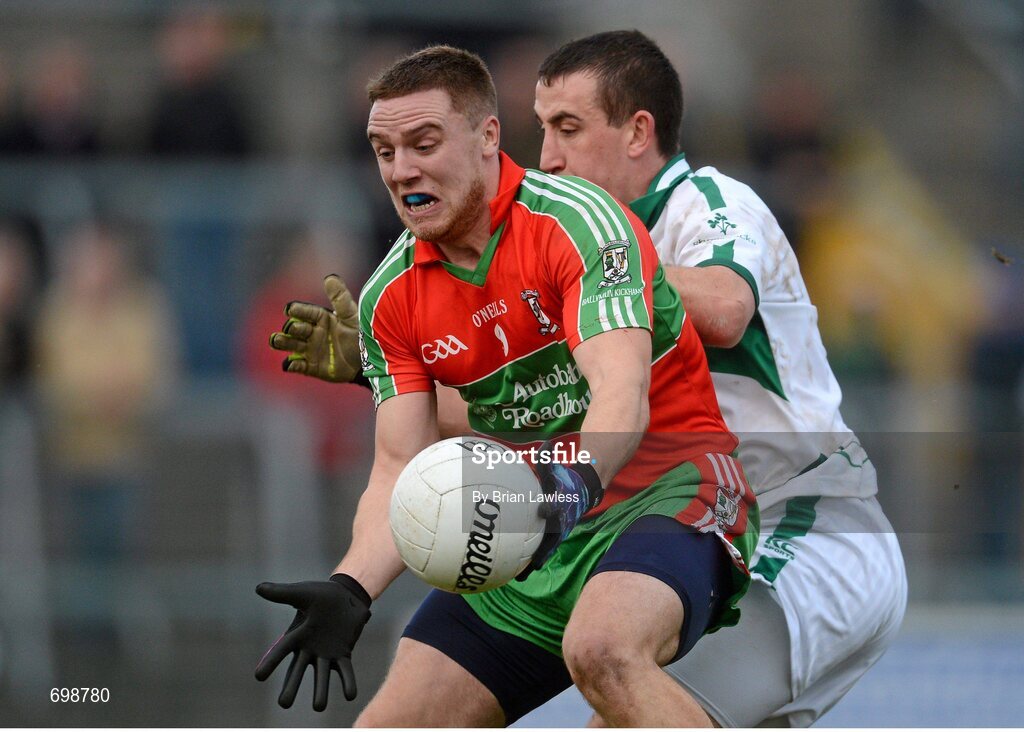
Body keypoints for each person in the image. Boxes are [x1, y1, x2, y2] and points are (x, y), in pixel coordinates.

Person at [256, 45, 758, 727]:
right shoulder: (387, 300)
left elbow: (620, 391)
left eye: (423, 143)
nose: (402, 170)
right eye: (383, 151)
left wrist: (572, 485)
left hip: (665, 492)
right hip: (523, 528)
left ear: (488, 137)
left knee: (603, 649)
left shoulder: (580, 222)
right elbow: (401, 463)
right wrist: (352, 586)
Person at [529, 31, 906, 726]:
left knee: (611, 664)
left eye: (568, 128)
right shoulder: (565, 260)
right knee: (619, 696)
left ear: (639, 131)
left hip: (811, 524)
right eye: (543, 130)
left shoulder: (706, 201)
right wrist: (384, 369)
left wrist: (590, 269)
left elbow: (727, 309)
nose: (547, 157)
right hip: (712, 541)